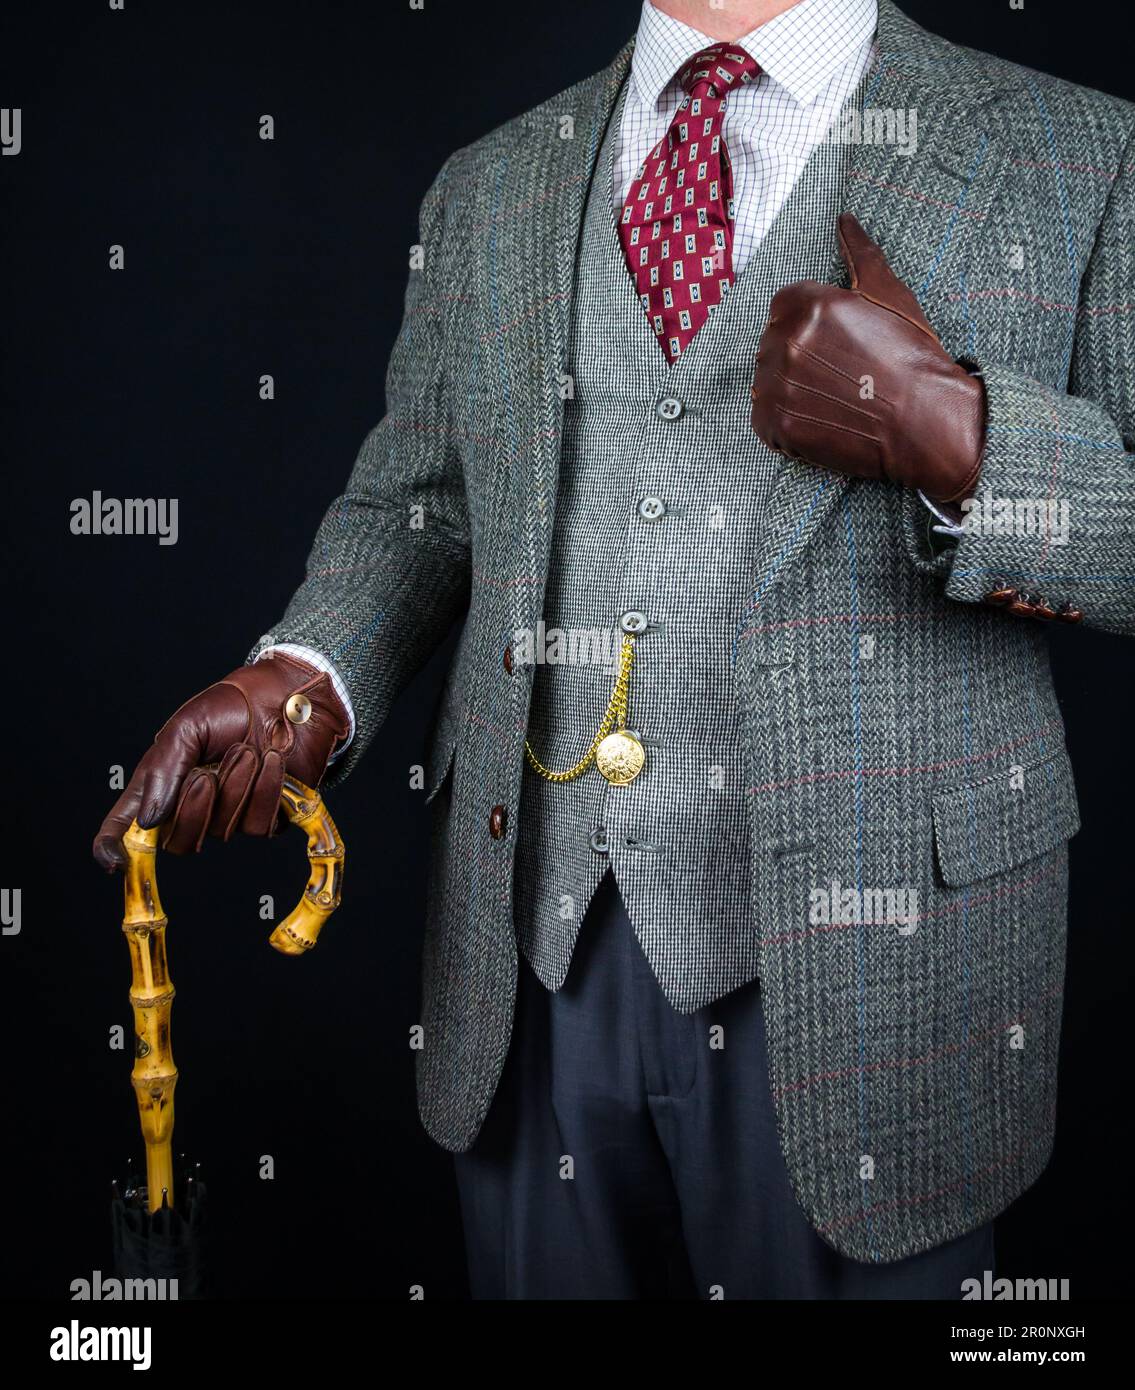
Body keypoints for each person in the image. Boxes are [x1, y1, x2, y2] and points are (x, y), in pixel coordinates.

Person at [94, 0, 1135, 1297]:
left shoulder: (1075, 148)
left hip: (885, 975)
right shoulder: (488, 184)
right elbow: (422, 502)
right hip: (535, 964)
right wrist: (305, 674)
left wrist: (960, 433)